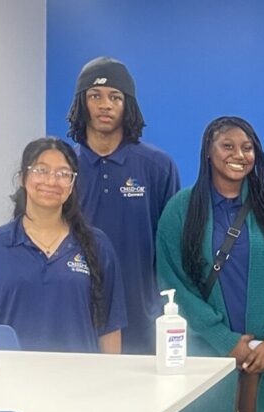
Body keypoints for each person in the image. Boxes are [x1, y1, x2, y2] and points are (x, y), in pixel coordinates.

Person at [156, 117, 264, 412]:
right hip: (204, 348)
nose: (238, 154)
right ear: (208, 152)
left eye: (247, 147)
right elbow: (173, 284)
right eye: (227, 146)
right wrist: (224, 339)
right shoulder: (181, 210)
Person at [0, 137, 126, 353]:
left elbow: (109, 329)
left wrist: (108, 381)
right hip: (9, 381)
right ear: (23, 178)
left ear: (72, 185)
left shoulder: (98, 245)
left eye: (63, 174)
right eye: (41, 170)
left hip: (81, 380)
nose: (51, 181)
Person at [67, 56, 180, 354]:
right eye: (95, 96)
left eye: (115, 97)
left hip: (141, 317)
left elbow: (173, 247)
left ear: (127, 104)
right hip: (75, 311)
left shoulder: (158, 166)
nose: (105, 105)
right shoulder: (62, 168)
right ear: (82, 103)